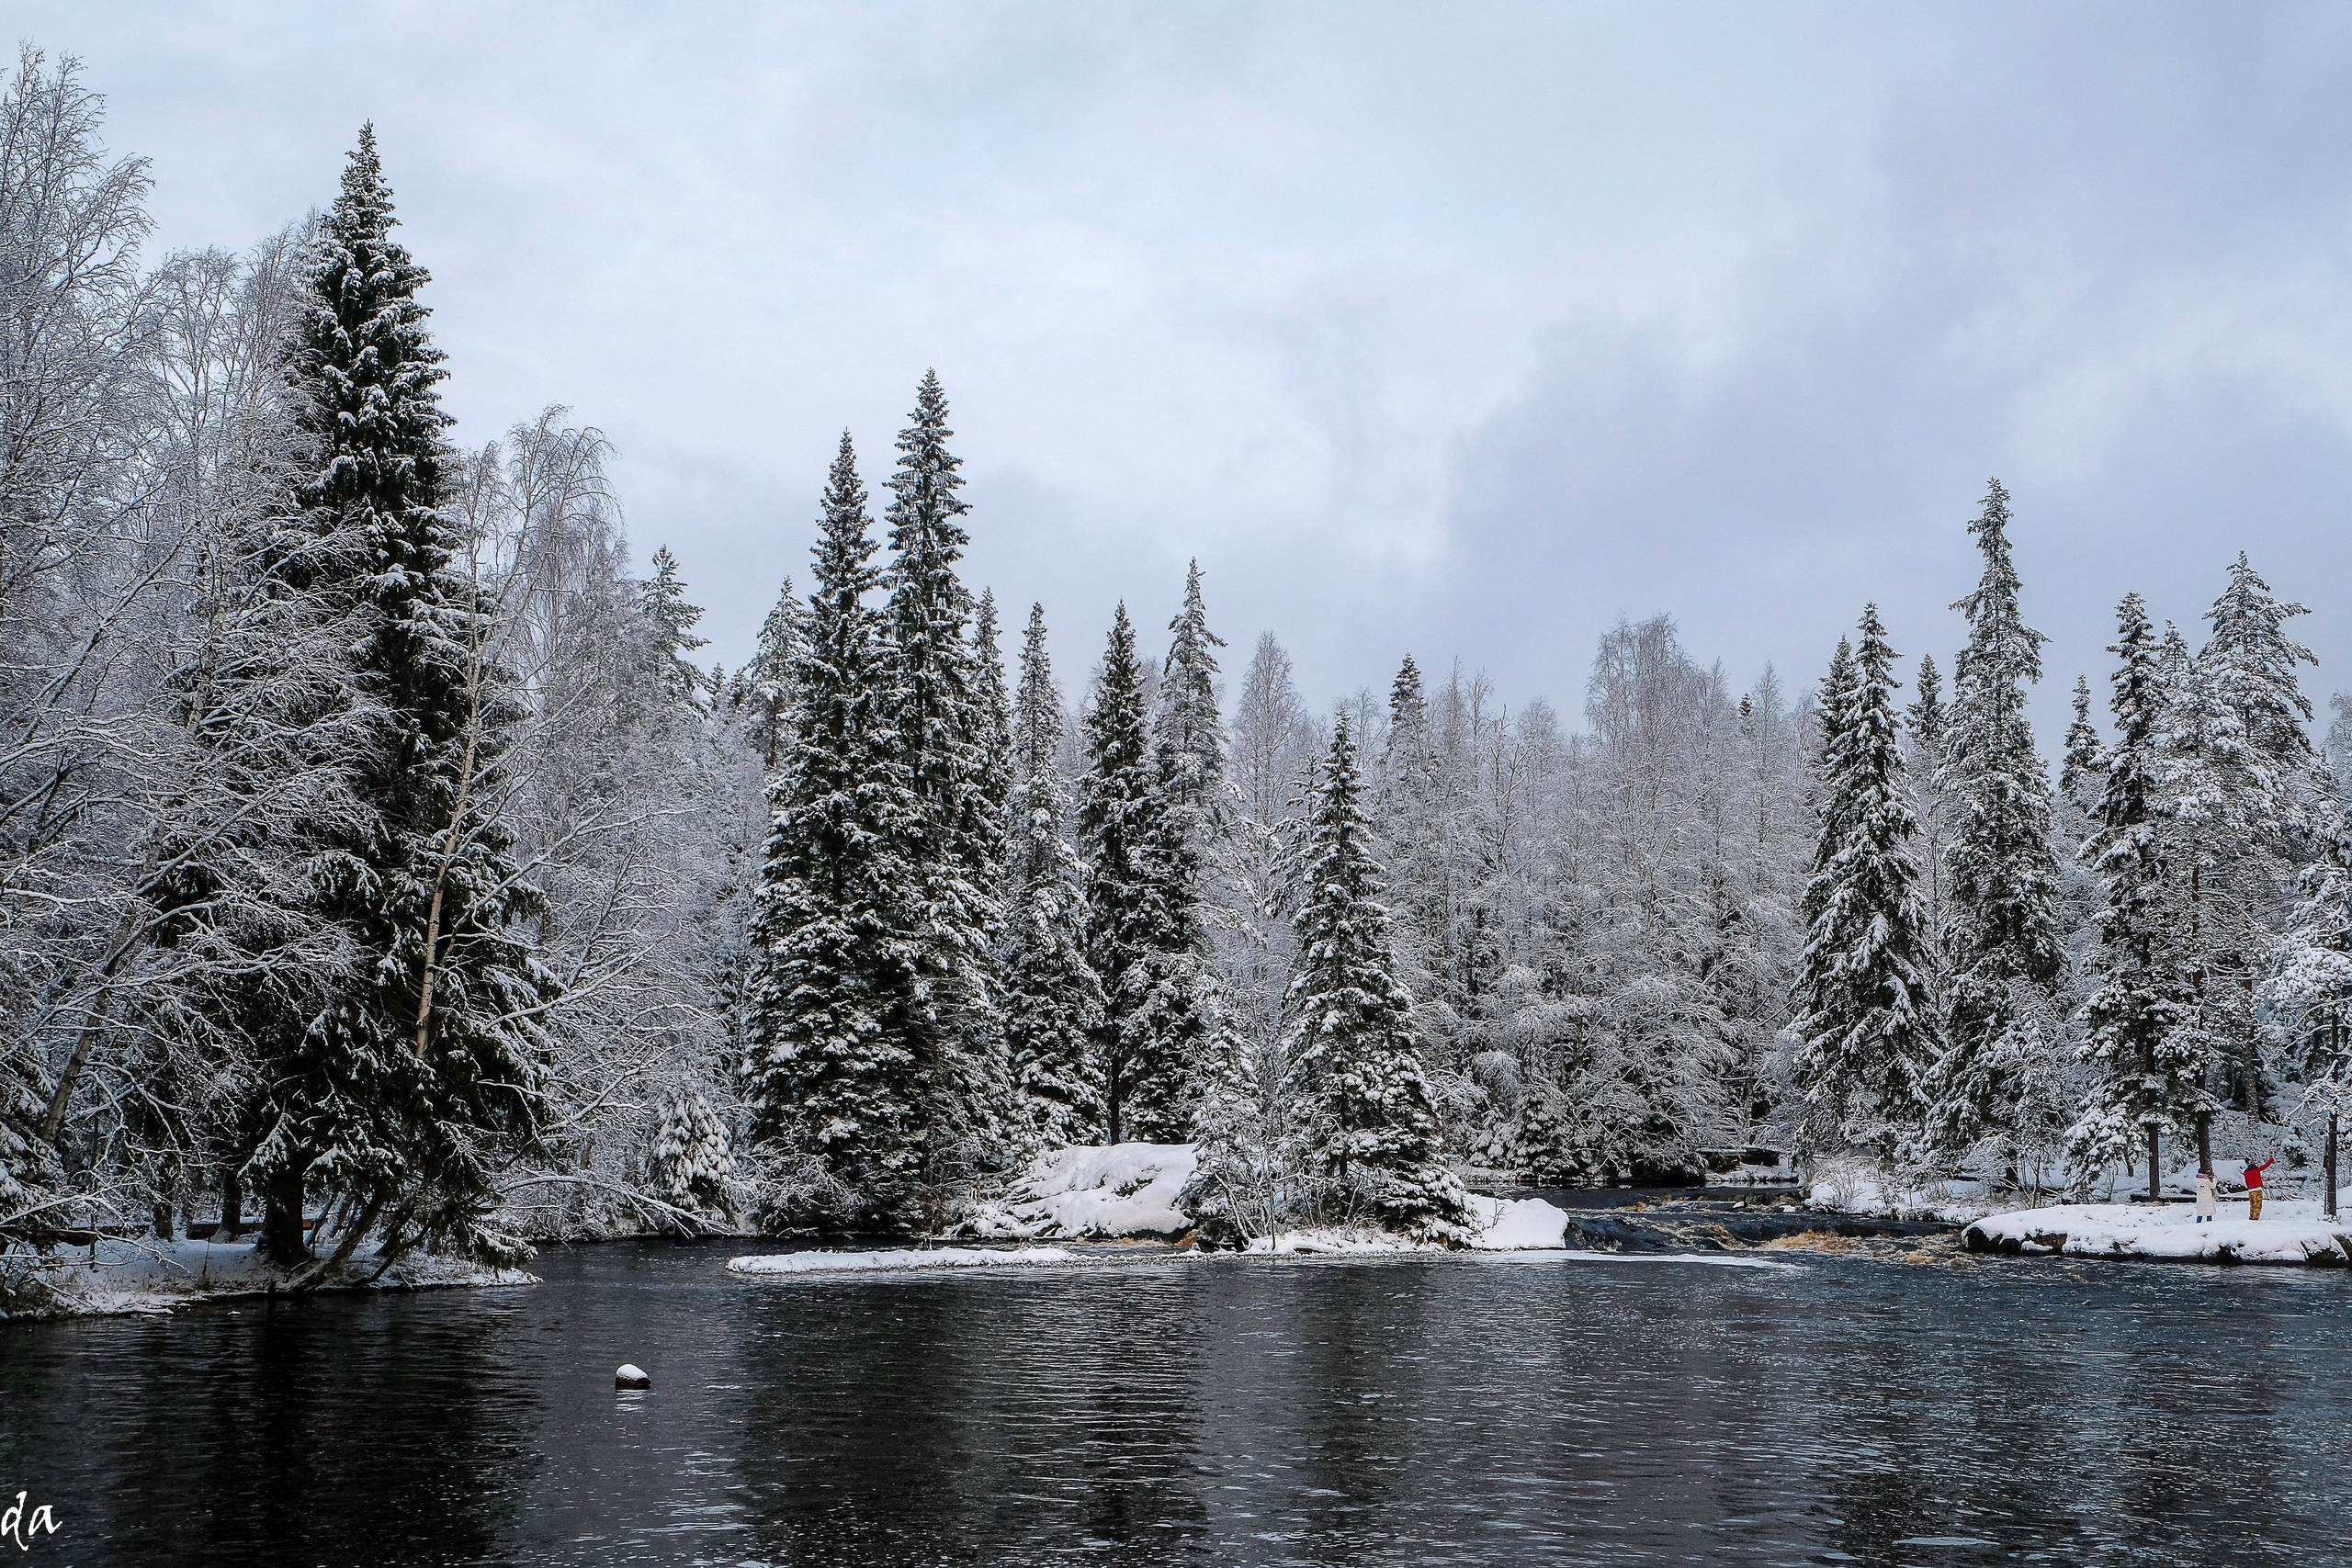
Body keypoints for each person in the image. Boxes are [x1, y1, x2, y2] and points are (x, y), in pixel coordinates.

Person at [2244, 1156, 2275, 1221]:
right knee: (2257, 1206)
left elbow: (2247, 1182)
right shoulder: (2256, 1169)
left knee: (2252, 1206)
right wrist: (2272, 1159)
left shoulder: (2246, 1172)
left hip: (2250, 1191)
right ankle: (2255, 1221)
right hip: (2257, 1190)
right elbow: (2265, 1166)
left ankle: (2251, 1218)